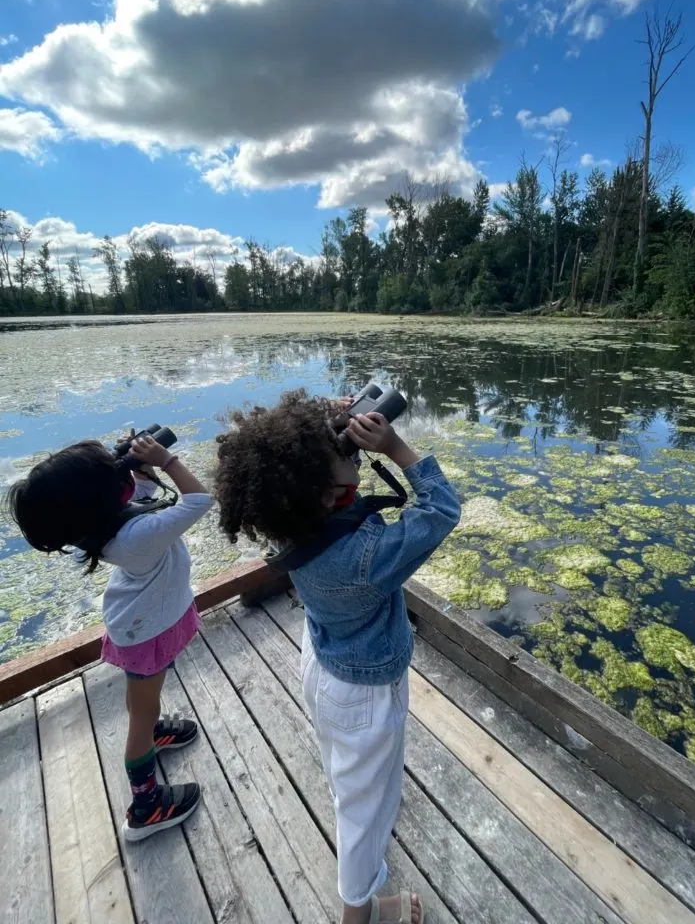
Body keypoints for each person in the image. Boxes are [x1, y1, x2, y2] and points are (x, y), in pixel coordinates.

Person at [215, 390, 461, 924]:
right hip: (365, 692)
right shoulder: (365, 559)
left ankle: (356, 831)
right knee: (364, 816)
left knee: (348, 782)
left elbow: (326, 485)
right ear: (329, 494)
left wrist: (331, 429)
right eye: (346, 458)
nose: (354, 458)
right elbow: (443, 509)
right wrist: (395, 446)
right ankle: (361, 914)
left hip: (324, 666)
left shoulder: (290, 517)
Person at [7, 433, 214, 842]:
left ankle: (154, 730)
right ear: (104, 496)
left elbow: (144, 494)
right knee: (141, 712)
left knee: (145, 700)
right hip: (147, 629)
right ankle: (147, 806)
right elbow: (200, 500)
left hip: (149, 622)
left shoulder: (102, 523)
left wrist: (138, 466)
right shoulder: (136, 536)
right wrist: (167, 460)